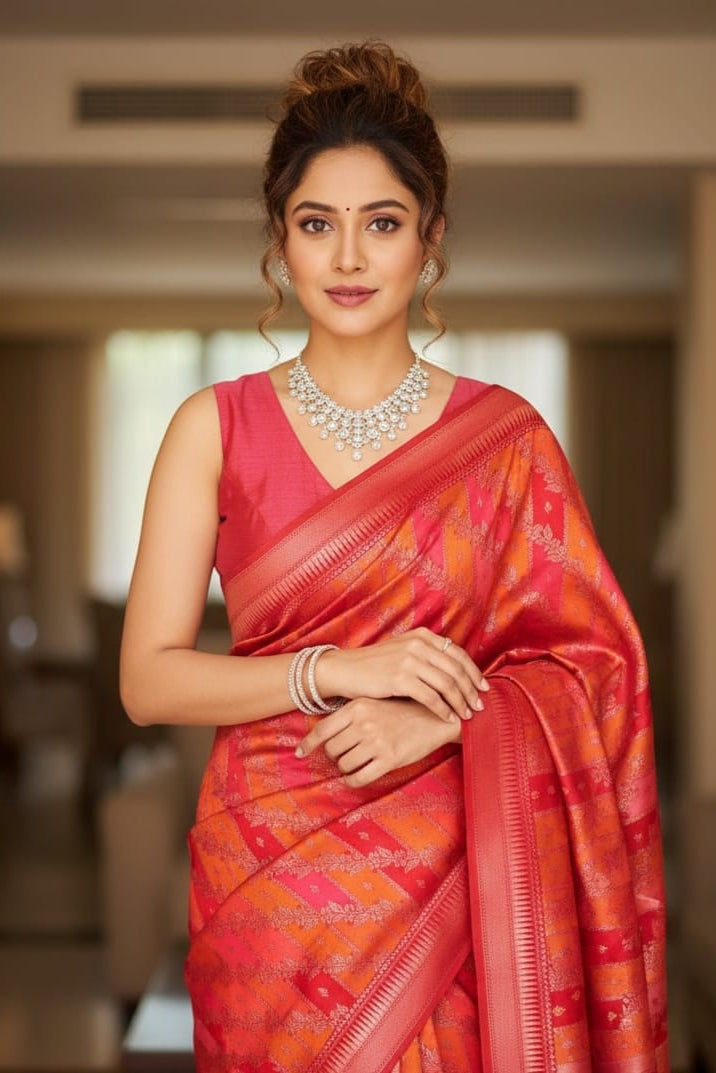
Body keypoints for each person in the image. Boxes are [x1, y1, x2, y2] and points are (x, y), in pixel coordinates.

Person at [119, 41, 669, 1073]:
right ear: (279, 244)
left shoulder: (505, 442)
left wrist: (439, 717)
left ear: (430, 240)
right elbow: (146, 681)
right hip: (269, 894)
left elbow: (596, 669)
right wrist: (333, 669)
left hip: (457, 880)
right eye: (315, 225)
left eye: (381, 223)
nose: (347, 258)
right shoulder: (215, 427)